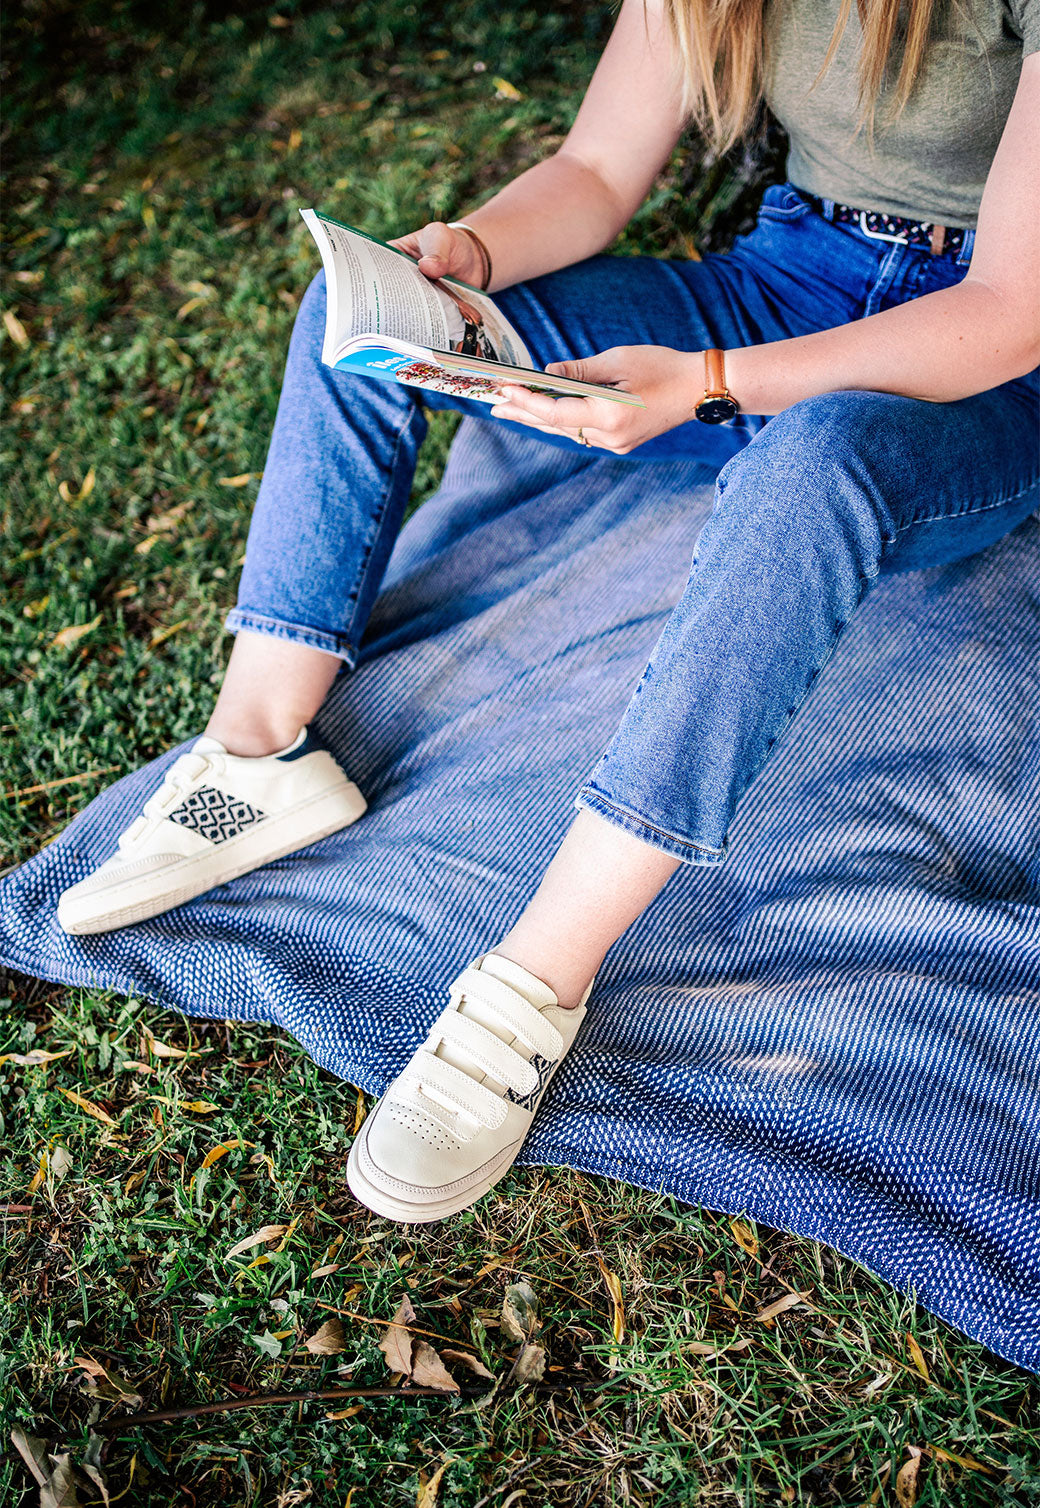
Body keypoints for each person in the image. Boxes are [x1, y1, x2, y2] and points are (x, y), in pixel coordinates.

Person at [54, 0, 1039, 1224]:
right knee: (360, 309)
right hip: (788, 277)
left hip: (983, 360)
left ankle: (532, 977)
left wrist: (708, 389)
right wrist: (468, 253)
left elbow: (1005, 313)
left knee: (811, 461)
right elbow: (590, 168)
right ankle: (258, 750)